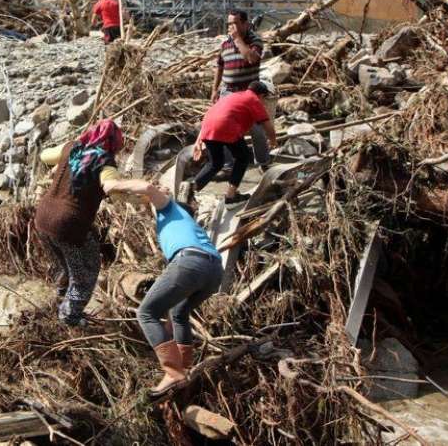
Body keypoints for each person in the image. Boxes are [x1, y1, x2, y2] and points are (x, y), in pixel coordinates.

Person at [102, 179, 223, 398]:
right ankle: (184, 367)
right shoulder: (181, 225)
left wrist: (115, 184)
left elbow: (147, 189)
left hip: (190, 262)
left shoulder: (170, 208)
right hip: (213, 270)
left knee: (146, 313)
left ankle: (173, 372)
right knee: (179, 313)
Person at [34, 119, 125, 326]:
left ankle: (58, 301)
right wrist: (147, 195)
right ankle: (69, 318)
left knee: (66, 267)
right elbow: (113, 188)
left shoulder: (71, 147)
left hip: (43, 218)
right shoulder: (105, 161)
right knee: (86, 273)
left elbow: (44, 156)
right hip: (68, 226)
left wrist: (74, 144)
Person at [193, 81, 278, 204]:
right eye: (264, 98)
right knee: (243, 158)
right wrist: (273, 140)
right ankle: (231, 196)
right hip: (227, 128)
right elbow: (267, 125)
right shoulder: (254, 99)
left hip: (207, 128)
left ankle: (191, 189)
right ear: (261, 95)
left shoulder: (233, 96)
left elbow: (211, 116)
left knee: (215, 164)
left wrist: (198, 141)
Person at [211, 10, 271, 169]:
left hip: (248, 94)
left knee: (256, 129)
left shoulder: (254, 40)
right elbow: (220, 66)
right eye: (230, 23)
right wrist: (215, 89)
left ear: (245, 23)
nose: (232, 27)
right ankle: (228, 165)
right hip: (228, 92)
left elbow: (252, 58)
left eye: (235, 23)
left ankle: (263, 162)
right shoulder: (225, 43)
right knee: (225, 128)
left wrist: (238, 40)